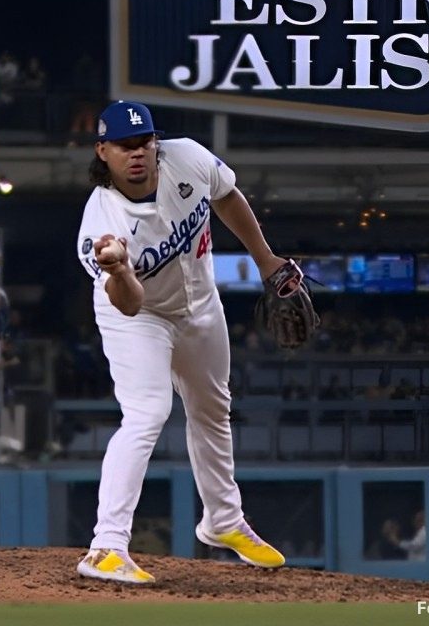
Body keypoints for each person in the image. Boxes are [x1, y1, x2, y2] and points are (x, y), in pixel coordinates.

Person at [72, 101, 289, 584]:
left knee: (213, 408)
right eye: (125, 145)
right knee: (148, 412)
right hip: (137, 316)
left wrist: (266, 260)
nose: (138, 152)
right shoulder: (101, 224)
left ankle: (224, 521)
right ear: (102, 151)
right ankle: (105, 547)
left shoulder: (187, 156)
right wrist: (121, 269)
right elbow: (128, 304)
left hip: (201, 302)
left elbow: (227, 195)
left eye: (145, 141)